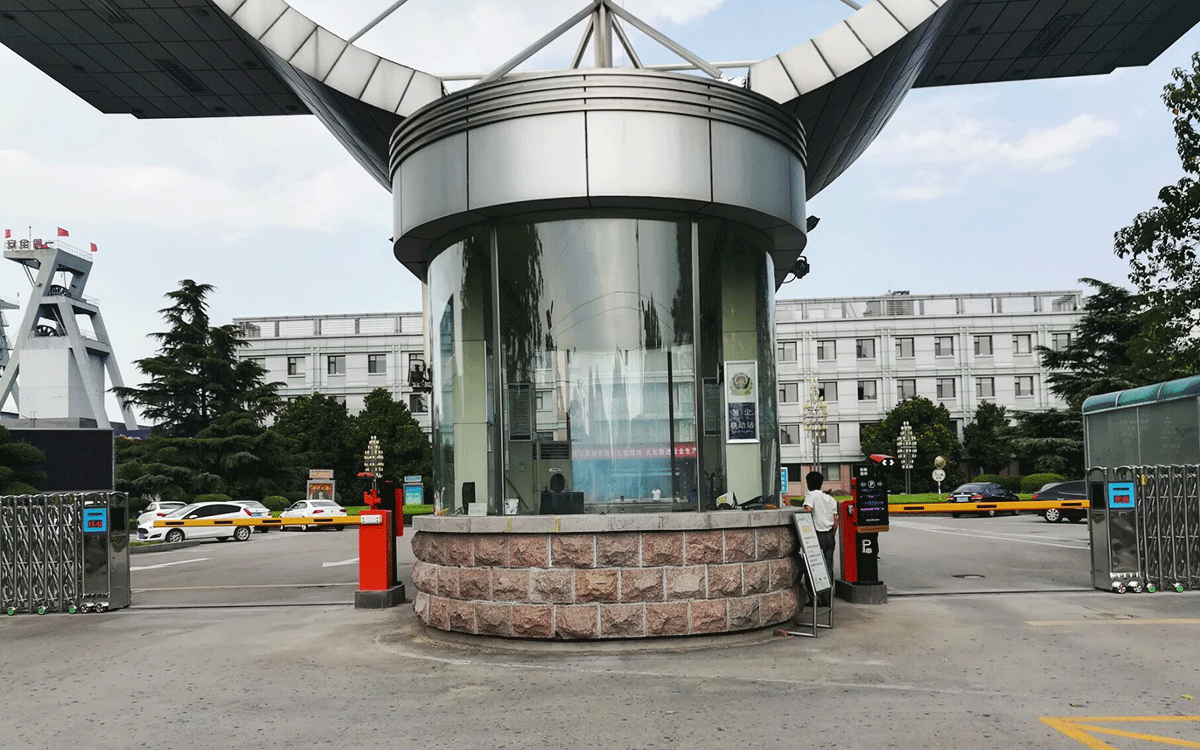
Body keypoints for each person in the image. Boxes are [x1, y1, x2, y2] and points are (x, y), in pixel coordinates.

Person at [802, 470, 838, 606]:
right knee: (828, 568)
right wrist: (831, 535)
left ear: (809, 483)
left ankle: (814, 599)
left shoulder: (810, 496)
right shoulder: (830, 499)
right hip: (829, 536)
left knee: (812, 567)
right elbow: (836, 521)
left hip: (816, 536)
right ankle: (827, 599)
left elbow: (807, 511)